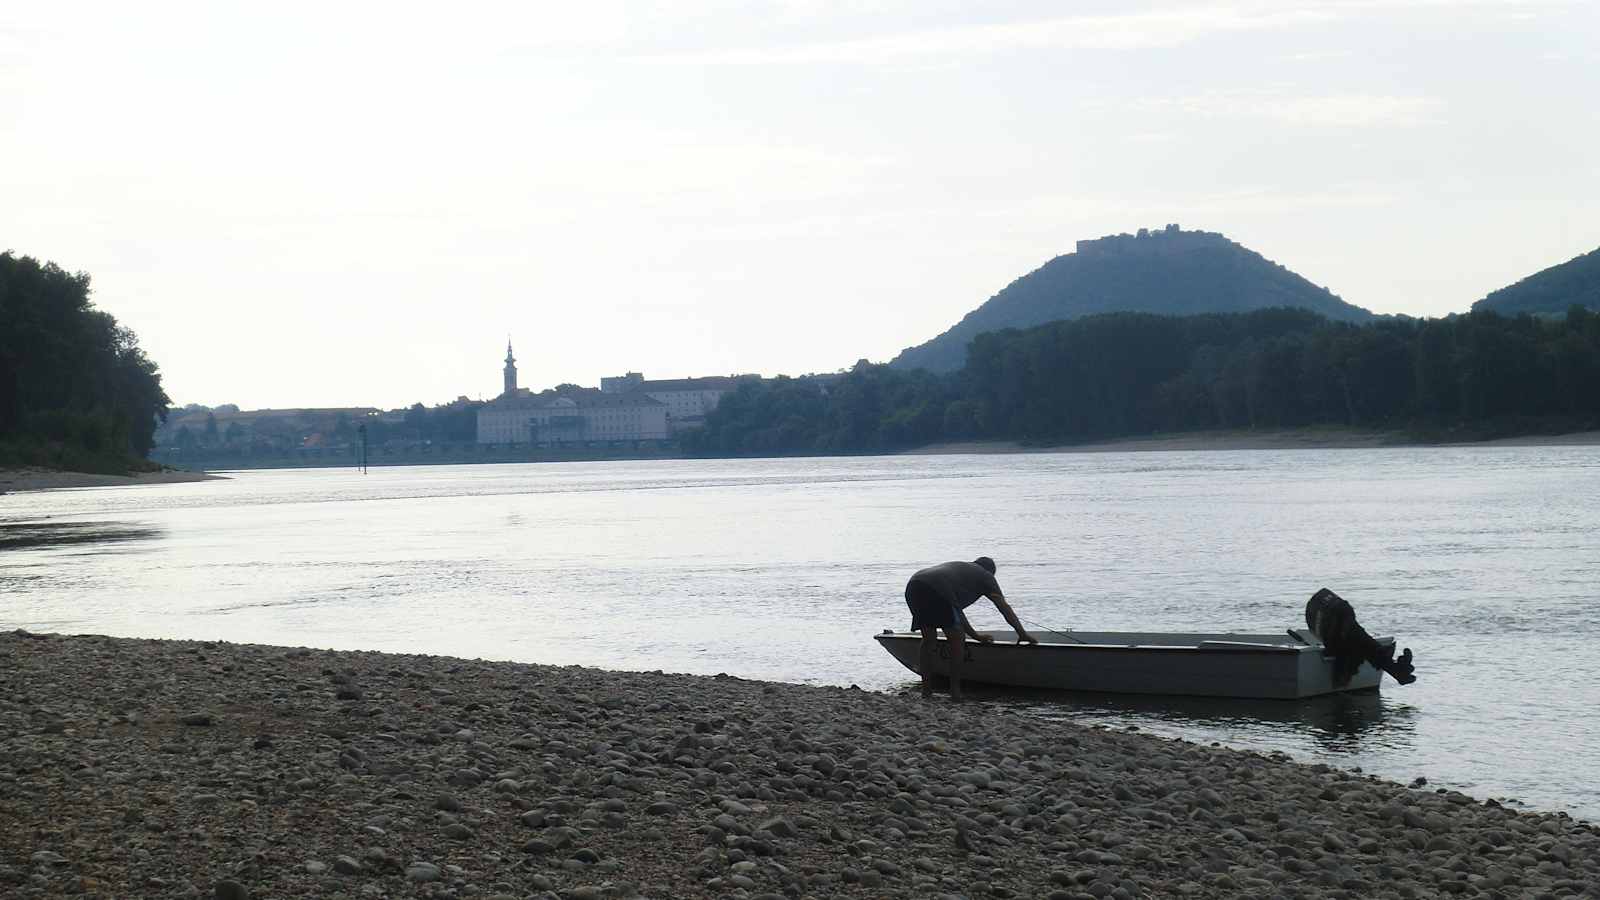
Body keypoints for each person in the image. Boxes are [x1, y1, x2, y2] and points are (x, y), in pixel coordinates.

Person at [904, 556, 1035, 699]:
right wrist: (1022, 633)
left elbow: (956, 612)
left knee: (929, 640)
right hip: (937, 589)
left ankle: (926, 691)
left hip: (914, 586)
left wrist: (975, 635)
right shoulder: (986, 576)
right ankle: (955, 692)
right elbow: (1003, 607)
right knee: (957, 641)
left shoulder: (962, 569)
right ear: (991, 572)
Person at [1304, 587, 1416, 686]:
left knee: (1361, 640)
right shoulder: (1346, 621)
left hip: (1339, 634)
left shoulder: (1347, 621)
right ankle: (1397, 670)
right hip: (1338, 640)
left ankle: (1397, 670)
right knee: (1363, 642)